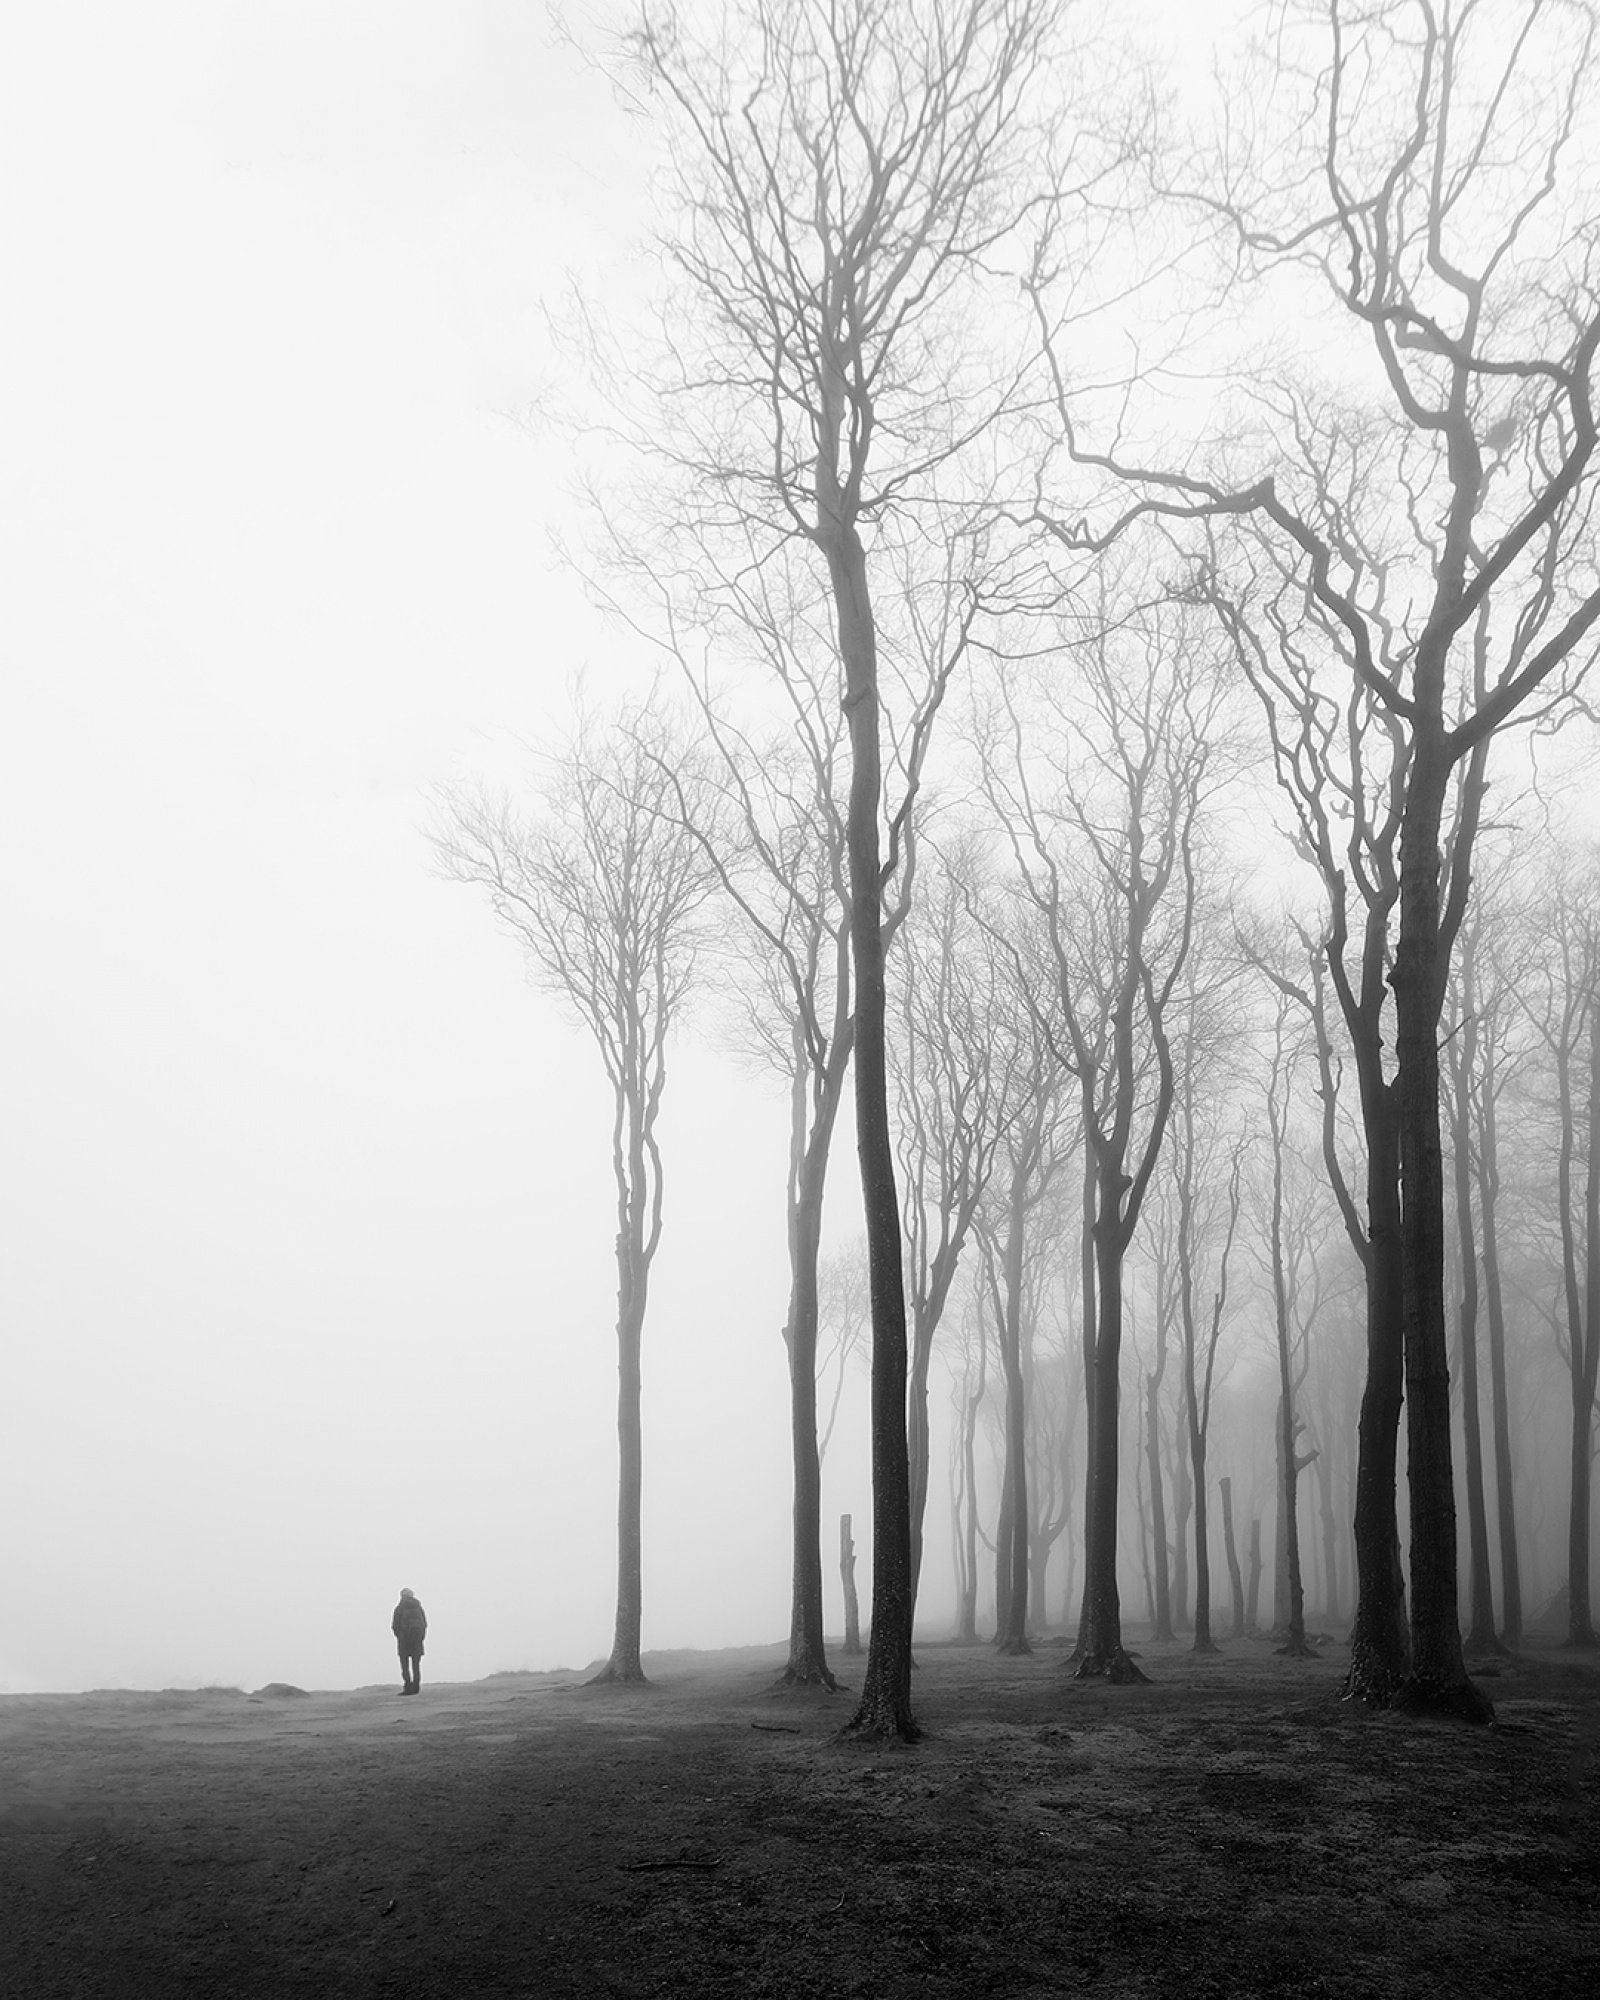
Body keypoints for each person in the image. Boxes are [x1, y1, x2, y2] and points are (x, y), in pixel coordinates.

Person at [391, 1587, 427, 1696]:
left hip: (404, 1641)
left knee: (405, 1665)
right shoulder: (418, 1608)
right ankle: (416, 1687)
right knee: (416, 1665)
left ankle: (408, 1687)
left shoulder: (399, 1608)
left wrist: (400, 1636)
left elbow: (394, 1626)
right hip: (417, 1641)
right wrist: (420, 1638)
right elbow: (424, 1624)